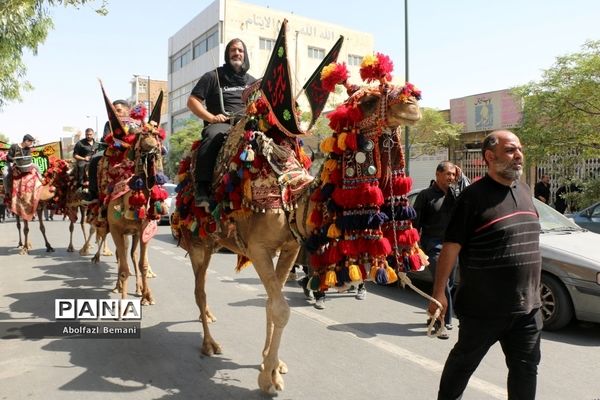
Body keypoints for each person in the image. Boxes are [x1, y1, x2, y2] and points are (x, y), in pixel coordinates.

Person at [428, 130, 542, 400]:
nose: (519, 156)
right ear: (490, 156)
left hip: (528, 309)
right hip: (483, 309)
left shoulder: (525, 190)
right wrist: (439, 293)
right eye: (511, 150)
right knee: (462, 365)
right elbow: (451, 247)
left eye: (520, 150)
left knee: (525, 371)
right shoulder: (472, 197)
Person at [187, 38, 257, 207]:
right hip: (222, 122)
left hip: (247, 123)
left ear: (245, 54)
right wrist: (211, 118)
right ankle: (202, 188)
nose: (237, 53)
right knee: (213, 136)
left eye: (240, 50)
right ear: (227, 54)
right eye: (233, 50)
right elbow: (192, 101)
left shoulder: (253, 81)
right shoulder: (213, 76)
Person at [413, 161, 469, 339]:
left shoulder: (456, 194)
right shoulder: (425, 195)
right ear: (438, 174)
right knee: (442, 284)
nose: (451, 177)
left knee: (448, 284)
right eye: (448, 174)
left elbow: (470, 195)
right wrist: (415, 246)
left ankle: (436, 313)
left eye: (453, 175)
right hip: (433, 246)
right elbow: (415, 223)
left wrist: (462, 176)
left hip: (452, 245)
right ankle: (441, 321)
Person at [86, 100, 131, 203]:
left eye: (118, 110)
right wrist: (121, 145)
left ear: (127, 110)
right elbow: (106, 138)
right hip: (113, 150)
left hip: (132, 152)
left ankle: (156, 196)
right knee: (94, 159)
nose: (116, 113)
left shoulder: (136, 123)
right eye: (113, 111)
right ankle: (93, 193)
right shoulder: (109, 123)